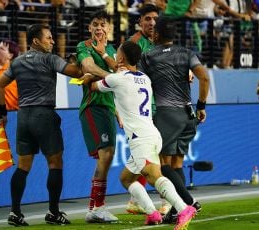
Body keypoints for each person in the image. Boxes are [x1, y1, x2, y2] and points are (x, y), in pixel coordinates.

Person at [86, 40, 197, 230]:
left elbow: (93, 87)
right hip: (152, 133)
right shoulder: (145, 78)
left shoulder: (117, 79)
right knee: (126, 179)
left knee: (154, 176)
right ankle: (152, 213)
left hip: (141, 139)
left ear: (120, 58)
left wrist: (89, 76)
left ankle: (183, 208)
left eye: (117, 53)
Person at [0, 24, 83, 227]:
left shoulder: (16, 62)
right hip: (44, 114)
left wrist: (2, 113)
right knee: (55, 163)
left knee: (23, 166)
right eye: (49, 38)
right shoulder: (50, 59)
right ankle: (53, 212)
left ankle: (15, 213)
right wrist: (76, 60)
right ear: (36, 41)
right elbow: (77, 73)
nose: (52, 41)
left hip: (23, 116)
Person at [138, 16, 209, 223]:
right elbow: (204, 77)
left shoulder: (148, 56)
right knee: (177, 164)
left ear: (156, 34)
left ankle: (189, 202)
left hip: (166, 114)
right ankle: (178, 210)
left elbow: (139, 83)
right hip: (189, 114)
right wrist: (202, 106)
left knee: (161, 165)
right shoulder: (187, 53)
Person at [76, 10, 119, 223]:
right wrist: (113, 77)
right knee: (106, 155)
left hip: (108, 109)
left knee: (107, 157)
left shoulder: (111, 49)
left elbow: (120, 70)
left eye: (103, 25)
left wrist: (118, 111)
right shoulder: (83, 47)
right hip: (93, 106)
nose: (99, 28)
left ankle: (94, 207)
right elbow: (87, 67)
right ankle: (98, 207)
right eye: (95, 24)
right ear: (89, 28)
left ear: (109, 29)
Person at [126, 3, 160, 215]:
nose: (152, 23)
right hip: (140, 110)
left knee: (146, 156)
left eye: (155, 18)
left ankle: (135, 201)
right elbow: (123, 74)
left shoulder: (158, 42)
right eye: (147, 18)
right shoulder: (134, 43)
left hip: (156, 104)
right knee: (152, 156)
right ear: (139, 22)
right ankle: (165, 202)